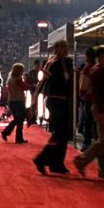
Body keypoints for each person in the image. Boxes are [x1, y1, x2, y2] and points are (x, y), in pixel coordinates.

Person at [73, 45, 104, 179]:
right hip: (101, 106)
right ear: (101, 55)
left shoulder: (98, 70)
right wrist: (100, 110)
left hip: (100, 106)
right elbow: (96, 93)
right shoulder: (99, 71)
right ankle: (82, 160)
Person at [33, 40, 74, 175]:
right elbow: (42, 82)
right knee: (59, 133)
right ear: (56, 49)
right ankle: (42, 159)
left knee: (63, 135)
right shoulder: (52, 63)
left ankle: (57, 163)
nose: (65, 49)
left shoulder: (68, 62)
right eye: (62, 47)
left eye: (66, 47)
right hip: (55, 101)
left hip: (64, 101)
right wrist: (34, 101)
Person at [0, 63, 29, 144]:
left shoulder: (10, 79)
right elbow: (26, 87)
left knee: (16, 119)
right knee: (20, 120)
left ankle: (6, 132)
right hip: (19, 100)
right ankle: (18, 138)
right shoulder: (18, 80)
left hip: (11, 101)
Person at [77, 47, 97, 151]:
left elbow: (82, 87)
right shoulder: (98, 68)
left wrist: (81, 96)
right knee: (95, 123)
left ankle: (87, 143)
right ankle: (95, 142)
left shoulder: (86, 69)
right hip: (97, 99)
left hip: (88, 99)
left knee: (87, 122)